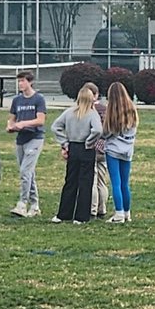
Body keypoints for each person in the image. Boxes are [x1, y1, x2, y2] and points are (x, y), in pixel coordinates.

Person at [50, 85, 103, 224]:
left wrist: (64, 143)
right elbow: (98, 130)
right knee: (86, 182)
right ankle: (81, 216)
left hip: (72, 147)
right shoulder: (92, 114)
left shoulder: (69, 112)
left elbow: (55, 127)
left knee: (70, 181)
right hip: (86, 149)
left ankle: (63, 214)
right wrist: (89, 142)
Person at [6, 71, 46, 217]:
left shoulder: (38, 99)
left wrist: (24, 123)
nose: (20, 84)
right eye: (19, 81)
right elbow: (12, 118)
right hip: (21, 139)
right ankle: (35, 205)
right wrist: (11, 126)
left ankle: (22, 204)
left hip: (35, 138)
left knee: (25, 172)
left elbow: (40, 120)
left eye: (23, 81)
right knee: (29, 172)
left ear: (30, 82)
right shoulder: (17, 100)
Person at [102, 81, 138, 224]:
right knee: (125, 183)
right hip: (128, 150)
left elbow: (106, 132)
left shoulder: (111, 111)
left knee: (115, 183)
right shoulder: (132, 109)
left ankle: (119, 213)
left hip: (113, 151)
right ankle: (127, 213)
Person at [85, 80, 110, 219]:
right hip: (104, 147)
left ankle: (92, 209)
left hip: (92, 147)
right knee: (102, 181)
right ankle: (102, 208)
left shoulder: (87, 110)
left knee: (92, 181)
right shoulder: (104, 109)